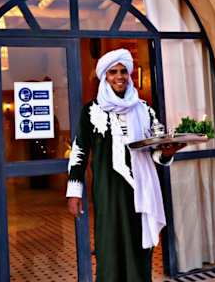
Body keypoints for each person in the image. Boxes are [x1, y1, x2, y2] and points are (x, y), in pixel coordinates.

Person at [66, 48, 185, 281]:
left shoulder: (144, 109)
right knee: (109, 247)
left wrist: (167, 153)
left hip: (140, 190)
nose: (119, 76)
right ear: (105, 76)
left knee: (139, 247)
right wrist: (74, 192)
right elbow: (79, 152)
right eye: (113, 72)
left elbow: (155, 152)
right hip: (108, 192)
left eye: (123, 71)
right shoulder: (91, 111)